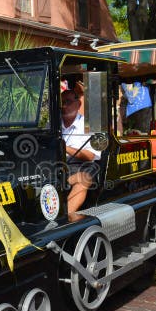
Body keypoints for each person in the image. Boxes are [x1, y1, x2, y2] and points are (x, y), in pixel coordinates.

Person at [61, 88, 100, 222]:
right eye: (61, 103)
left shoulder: (89, 125)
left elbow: (90, 155)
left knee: (84, 178)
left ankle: (66, 216)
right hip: (58, 164)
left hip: (84, 165)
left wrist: (64, 148)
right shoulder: (52, 125)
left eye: (67, 102)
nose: (63, 106)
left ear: (78, 104)